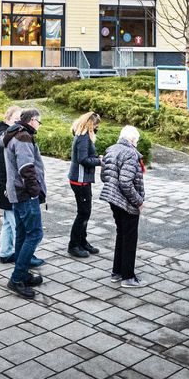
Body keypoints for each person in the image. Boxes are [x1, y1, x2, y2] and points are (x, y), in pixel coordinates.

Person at [4, 108, 47, 298]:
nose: (39, 125)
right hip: (25, 193)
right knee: (35, 234)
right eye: (39, 121)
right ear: (31, 120)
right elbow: (26, 167)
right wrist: (34, 192)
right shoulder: (23, 137)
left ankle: (22, 273)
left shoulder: (13, 134)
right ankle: (17, 279)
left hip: (16, 192)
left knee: (22, 233)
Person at [101, 125, 146, 288]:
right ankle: (128, 277)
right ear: (133, 139)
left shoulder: (111, 149)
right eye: (137, 140)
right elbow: (126, 182)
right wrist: (138, 201)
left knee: (121, 234)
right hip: (126, 201)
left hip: (113, 199)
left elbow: (104, 175)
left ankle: (117, 272)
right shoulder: (130, 153)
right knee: (129, 238)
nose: (137, 144)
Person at [67, 112, 103, 259]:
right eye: (96, 125)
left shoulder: (83, 136)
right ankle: (74, 245)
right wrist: (99, 162)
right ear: (90, 125)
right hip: (79, 180)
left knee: (85, 212)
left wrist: (96, 157)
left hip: (83, 179)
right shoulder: (83, 138)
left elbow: (87, 156)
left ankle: (82, 241)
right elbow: (83, 159)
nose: (97, 128)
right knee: (83, 213)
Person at [0, 105, 21, 264]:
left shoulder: (5, 134)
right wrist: (5, 188)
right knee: (17, 224)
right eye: (16, 120)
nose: (19, 124)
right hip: (6, 187)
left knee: (9, 222)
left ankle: (5, 252)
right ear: (7, 119)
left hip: (4, 186)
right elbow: (1, 165)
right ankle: (23, 258)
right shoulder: (4, 137)